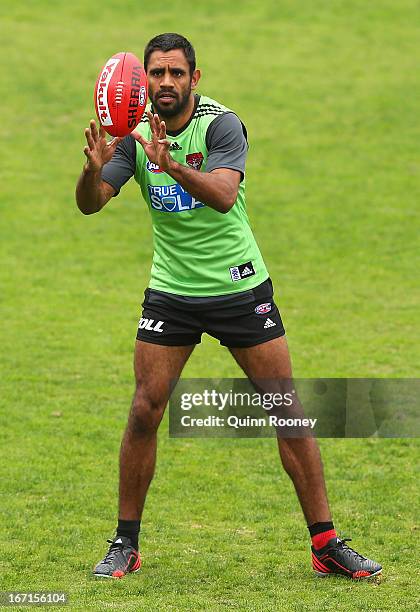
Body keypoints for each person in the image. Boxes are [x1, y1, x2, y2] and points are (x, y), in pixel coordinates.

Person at [76, 33, 382, 580]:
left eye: (175, 72)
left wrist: (169, 166)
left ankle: (327, 543)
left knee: (285, 408)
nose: (164, 81)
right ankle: (125, 543)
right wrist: (90, 170)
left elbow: (220, 196)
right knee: (145, 408)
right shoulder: (134, 135)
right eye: (155, 72)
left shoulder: (221, 125)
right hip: (173, 290)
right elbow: (92, 203)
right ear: (143, 79)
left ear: (196, 79)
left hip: (239, 286)